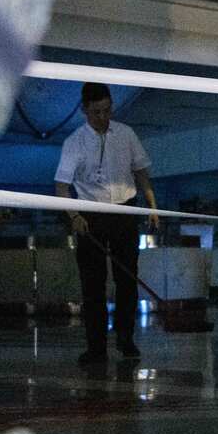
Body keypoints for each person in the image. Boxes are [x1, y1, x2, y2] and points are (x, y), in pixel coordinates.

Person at [54, 83, 160, 366]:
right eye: (97, 111)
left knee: (127, 280)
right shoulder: (74, 142)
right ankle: (96, 347)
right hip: (91, 216)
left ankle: (126, 339)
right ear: (84, 110)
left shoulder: (126, 134)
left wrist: (152, 207)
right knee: (93, 285)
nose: (103, 116)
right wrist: (74, 217)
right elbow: (62, 187)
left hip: (125, 212)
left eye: (107, 110)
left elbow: (141, 173)